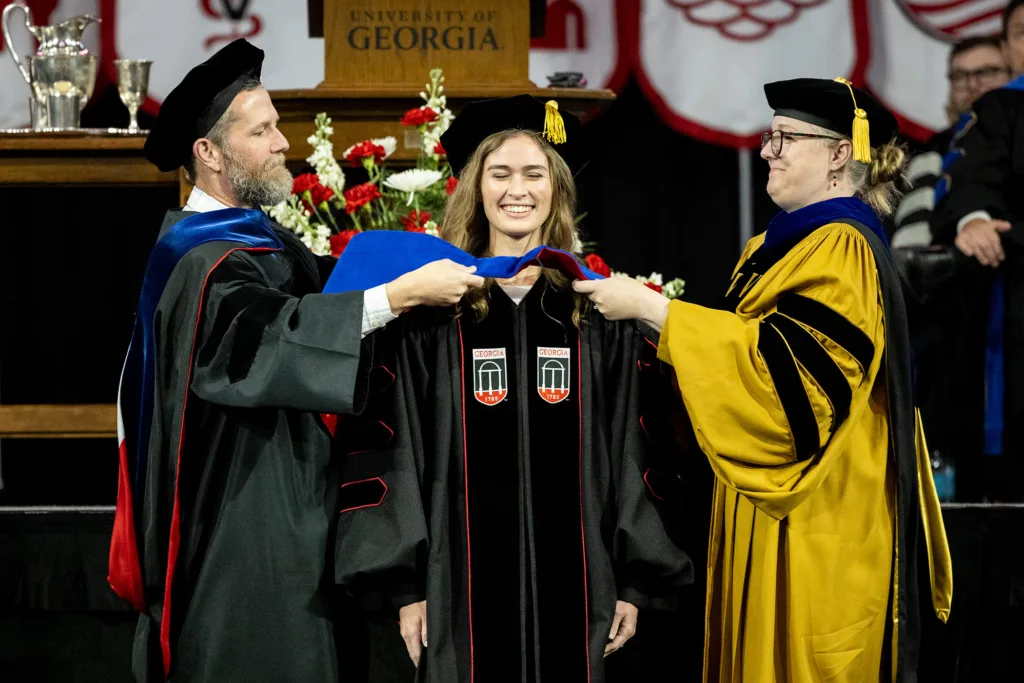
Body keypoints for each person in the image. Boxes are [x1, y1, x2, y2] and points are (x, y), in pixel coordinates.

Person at [106, 39, 484, 683]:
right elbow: (266, 341)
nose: (284, 143)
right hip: (242, 519)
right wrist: (397, 295)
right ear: (209, 153)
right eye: (263, 130)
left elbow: (324, 296)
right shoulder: (199, 263)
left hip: (293, 505)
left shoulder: (257, 242)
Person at [575, 78, 953, 682]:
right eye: (768, 135)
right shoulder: (787, 245)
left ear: (838, 154)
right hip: (775, 508)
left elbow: (791, 388)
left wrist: (656, 311)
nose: (767, 150)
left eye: (785, 137)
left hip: (818, 514)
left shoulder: (841, 247)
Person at [331, 95, 692, 682]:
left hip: (583, 586)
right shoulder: (433, 316)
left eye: (534, 174)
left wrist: (634, 579)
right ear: (476, 188)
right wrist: (402, 585)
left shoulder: (597, 316)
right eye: (499, 174)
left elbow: (637, 448)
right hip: (453, 594)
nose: (516, 190)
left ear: (557, 190)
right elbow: (390, 450)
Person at [930, 0, 1024, 502]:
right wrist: (975, 219)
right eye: (1023, 33)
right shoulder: (999, 110)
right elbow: (966, 181)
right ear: (1009, 49)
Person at [891, 35, 1009, 248]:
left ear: (1013, 74)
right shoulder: (928, 151)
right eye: (960, 76)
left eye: (987, 72)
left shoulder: (1015, 139)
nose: (972, 84)